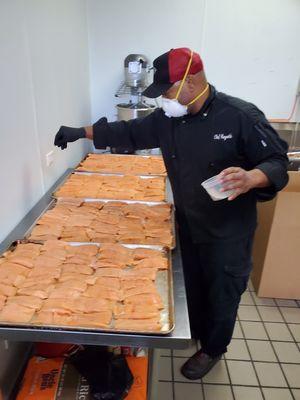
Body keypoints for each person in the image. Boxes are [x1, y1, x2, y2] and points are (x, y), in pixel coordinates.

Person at [54, 47, 288, 379]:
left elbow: (278, 163)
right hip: (188, 222)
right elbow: (129, 133)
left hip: (228, 231)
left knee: (223, 290)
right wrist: (82, 132)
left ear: (191, 81)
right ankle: (194, 330)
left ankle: (212, 349)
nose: (163, 99)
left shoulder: (239, 116)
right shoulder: (168, 118)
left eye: (166, 91)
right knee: (191, 283)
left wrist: (251, 177)